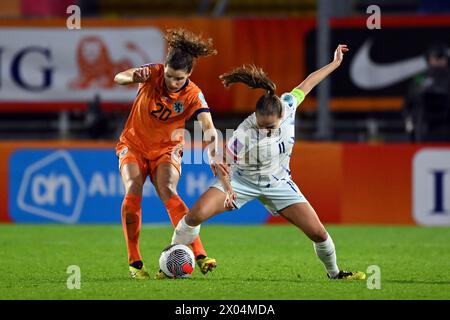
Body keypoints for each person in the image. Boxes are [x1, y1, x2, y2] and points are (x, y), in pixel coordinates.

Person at [170, 44, 366, 280]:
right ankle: (171, 262)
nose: (265, 131)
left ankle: (335, 273)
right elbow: (222, 163)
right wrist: (229, 190)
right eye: (261, 125)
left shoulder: (289, 105)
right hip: (242, 181)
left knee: (319, 234)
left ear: (281, 116)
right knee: (194, 216)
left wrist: (335, 63)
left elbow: (309, 82)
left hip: (279, 183)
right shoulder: (245, 132)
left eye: (270, 127)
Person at [114, 28, 223, 280]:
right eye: (170, 76)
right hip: (134, 144)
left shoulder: (193, 94)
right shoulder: (152, 73)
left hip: (166, 149)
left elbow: (209, 127)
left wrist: (214, 150)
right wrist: (133, 77)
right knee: (133, 190)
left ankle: (199, 254)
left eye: (179, 79)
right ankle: (135, 262)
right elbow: (120, 77)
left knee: (168, 191)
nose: (172, 83)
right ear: (164, 67)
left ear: (189, 74)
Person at [403, 43, 450, 142]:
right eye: (435, 57)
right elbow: (408, 107)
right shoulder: (420, 78)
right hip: (424, 130)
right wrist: (410, 130)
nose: (439, 61)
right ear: (428, 59)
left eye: (442, 57)